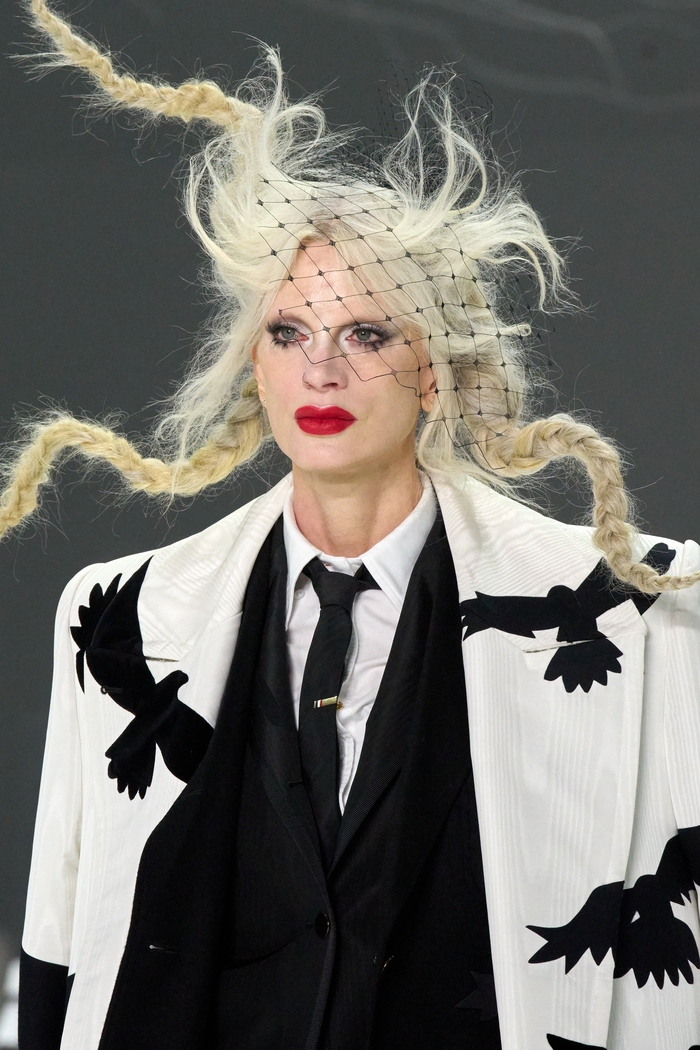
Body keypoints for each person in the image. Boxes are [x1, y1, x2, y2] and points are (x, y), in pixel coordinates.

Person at [5, 2, 700, 1049]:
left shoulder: (639, 613)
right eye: (290, 332)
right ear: (256, 366)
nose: (321, 369)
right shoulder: (118, 614)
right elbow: (64, 946)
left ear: (435, 373)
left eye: (368, 333)